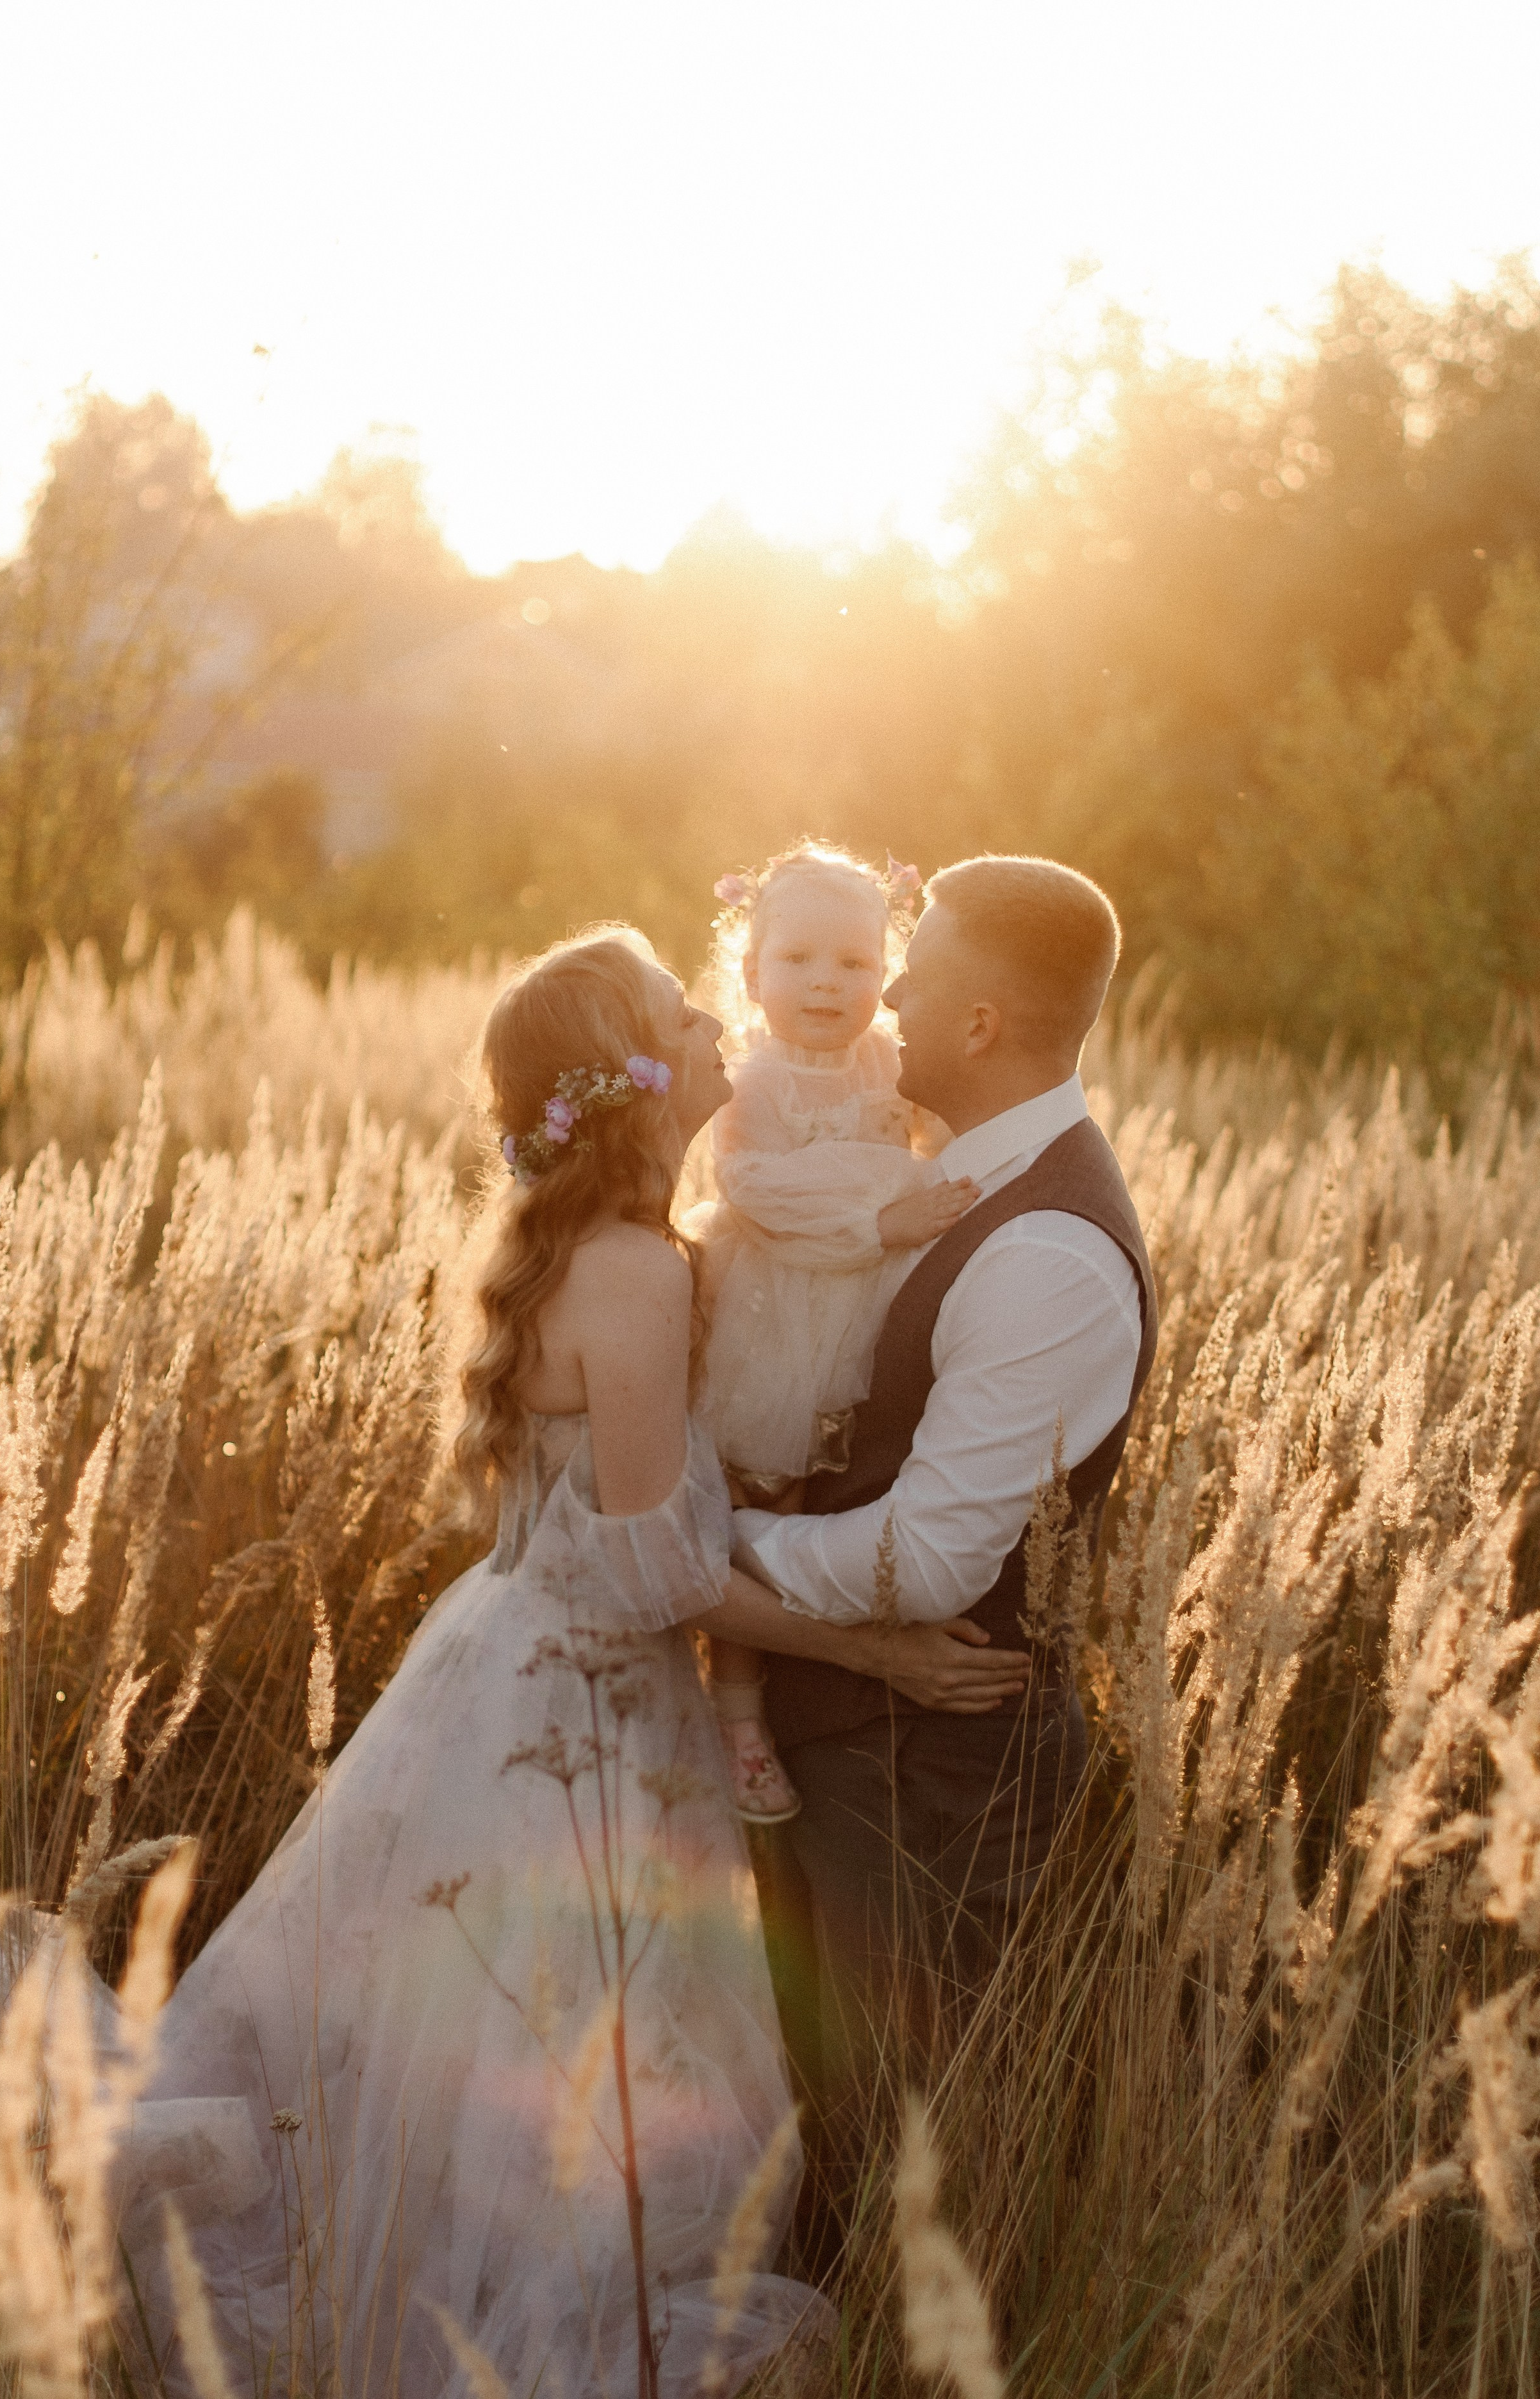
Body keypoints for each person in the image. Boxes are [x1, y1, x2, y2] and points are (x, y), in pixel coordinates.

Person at [116, 928, 1024, 2399]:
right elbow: (659, 1574)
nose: (724, 1022)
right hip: (583, 1703)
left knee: (491, 2045)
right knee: (565, 2046)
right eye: (688, 1010)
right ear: (640, 1075)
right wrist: (889, 1654)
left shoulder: (597, 1250)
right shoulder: (634, 1273)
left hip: (503, 1662)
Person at [732, 855, 1159, 2146]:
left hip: (932, 1779)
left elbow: (922, 1562)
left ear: (980, 1025)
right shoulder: (954, 1182)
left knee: (917, 2145)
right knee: (845, 2132)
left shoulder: (1044, 1251)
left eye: (916, 973)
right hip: (870, 1744)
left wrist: (710, 1545)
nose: (891, 993)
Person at [693, 843, 980, 1824]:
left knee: (840, 1497)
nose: (827, 983)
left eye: (856, 964)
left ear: (886, 977)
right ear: (751, 974)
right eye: (800, 960)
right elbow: (756, 1193)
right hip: (772, 1319)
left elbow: (949, 1132)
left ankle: (839, 1694)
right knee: (751, 1512)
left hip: (866, 1315)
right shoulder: (752, 1082)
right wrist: (875, 1220)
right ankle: (737, 1715)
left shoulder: (889, 1062)